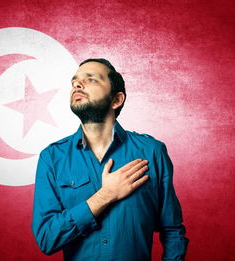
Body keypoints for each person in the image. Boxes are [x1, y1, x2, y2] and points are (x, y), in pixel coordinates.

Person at [31, 58, 188, 260]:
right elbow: (47, 239)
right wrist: (106, 195)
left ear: (116, 100)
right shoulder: (52, 158)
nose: (77, 85)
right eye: (75, 82)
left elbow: (172, 230)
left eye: (92, 80)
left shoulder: (152, 152)